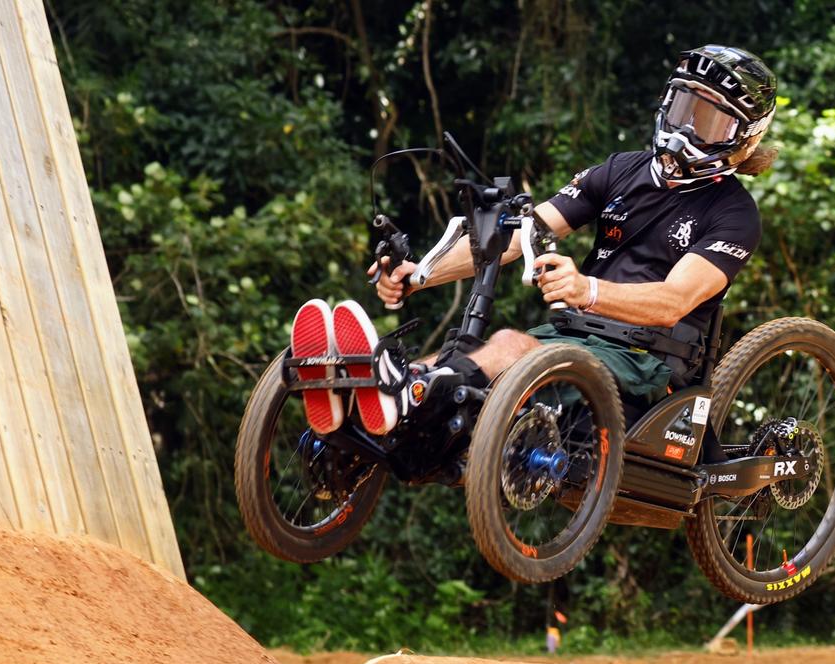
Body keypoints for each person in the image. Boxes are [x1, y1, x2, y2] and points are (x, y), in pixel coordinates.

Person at [295, 45, 778, 435]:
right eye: (682, 108)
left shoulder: (734, 213)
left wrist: (586, 290)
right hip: (575, 339)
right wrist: (419, 275)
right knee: (462, 362)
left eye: (708, 120)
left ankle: (403, 392)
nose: (685, 127)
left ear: (743, 139)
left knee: (508, 343)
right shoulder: (620, 170)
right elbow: (517, 234)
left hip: (648, 363)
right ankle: (376, 404)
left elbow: (674, 301)